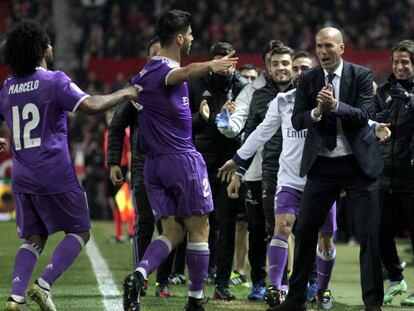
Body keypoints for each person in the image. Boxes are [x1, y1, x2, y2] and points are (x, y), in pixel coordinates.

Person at [219, 51, 391, 309]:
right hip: (290, 178)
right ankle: (276, 288)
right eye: (296, 68)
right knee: (283, 227)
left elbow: (353, 119)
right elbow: (261, 132)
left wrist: (374, 124)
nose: (300, 73)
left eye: (303, 68)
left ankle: (322, 290)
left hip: (320, 179)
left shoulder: (326, 99)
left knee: (325, 238)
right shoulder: (283, 101)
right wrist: (239, 160)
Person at [1, 20, 139, 311]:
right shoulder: (54, 81)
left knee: (34, 238)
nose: (52, 47)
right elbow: (91, 106)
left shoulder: (8, 87)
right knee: (80, 231)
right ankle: (44, 284)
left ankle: (15, 298)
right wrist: (124, 93)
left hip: (23, 175)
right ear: (40, 49)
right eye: (48, 42)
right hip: (54, 172)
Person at [122, 10, 237, 311]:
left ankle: (139, 274)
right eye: (190, 33)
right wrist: (211, 64)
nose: (193, 39)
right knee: (201, 230)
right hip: (181, 161)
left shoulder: (143, 74)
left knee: (172, 232)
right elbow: (181, 75)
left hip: (153, 166)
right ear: (179, 37)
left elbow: (137, 101)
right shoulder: (165, 71)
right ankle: (196, 300)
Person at [271, 27, 384, 311]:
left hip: (357, 166)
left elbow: (365, 115)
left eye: (329, 47)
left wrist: (335, 106)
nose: (323, 52)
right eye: (319, 46)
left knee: (369, 236)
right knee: (306, 230)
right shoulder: (308, 79)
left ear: (342, 48)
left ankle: (373, 304)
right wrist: (317, 112)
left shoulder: (360, 75)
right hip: (321, 166)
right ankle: (296, 300)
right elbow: (297, 120)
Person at [108, 37, 181, 298]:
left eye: (162, 56)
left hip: (174, 162)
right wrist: (114, 161)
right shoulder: (138, 88)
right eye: (153, 55)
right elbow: (117, 125)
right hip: (143, 163)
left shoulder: (179, 85)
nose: (157, 61)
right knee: (145, 221)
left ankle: (164, 281)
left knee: (171, 224)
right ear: (147, 59)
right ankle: (141, 278)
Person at [189, 41, 248, 300]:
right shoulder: (196, 85)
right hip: (201, 163)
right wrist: (202, 118)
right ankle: (198, 279)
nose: (226, 66)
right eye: (220, 60)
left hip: (229, 164)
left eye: (230, 60)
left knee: (225, 224)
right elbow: (185, 124)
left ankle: (221, 283)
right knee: (200, 222)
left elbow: (247, 130)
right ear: (212, 61)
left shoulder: (242, 88)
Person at [374, 39, 414, 306]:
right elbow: (370, 125)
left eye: (405, 62)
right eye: (396, 61)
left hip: (411, 177)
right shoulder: (384, 91)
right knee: (379, 231)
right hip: (384, 174)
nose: (399, 66)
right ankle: (396, 278)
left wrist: (411, 103)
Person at [105, 110, 133, 244]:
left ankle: (132, 233)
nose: (109, 119)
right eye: (108, 117)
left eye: (111, 117)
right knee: (115, 203)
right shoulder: (107, 133)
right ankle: (119, 234)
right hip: (109, 170)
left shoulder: (124, 132)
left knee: (124, 202)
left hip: (120, 169)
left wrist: (129, 170)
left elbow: (129, 152)